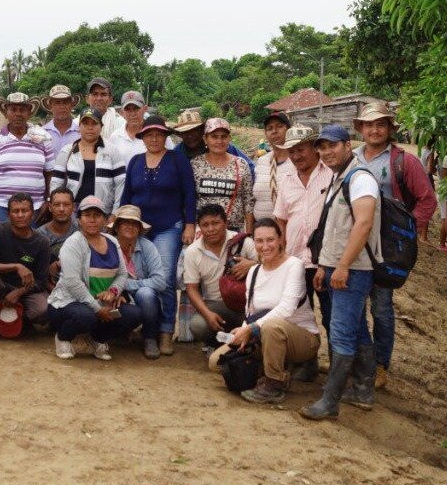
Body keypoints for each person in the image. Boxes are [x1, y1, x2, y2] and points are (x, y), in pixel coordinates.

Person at [300, 124, 382, 421]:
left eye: (332, 145)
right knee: (357, 327)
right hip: (338, 266)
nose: (326, 152)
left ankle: (330, 401)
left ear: (348, 145)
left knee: (341, 332)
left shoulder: (360, 179)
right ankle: (362, 390)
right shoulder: (340, 178)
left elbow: (363, 224)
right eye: (321, 147)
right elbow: (332, 228)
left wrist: (343, 265)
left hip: (354, 269)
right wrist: (325, 264)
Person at [352, 101, 437, 389]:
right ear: (360, 129)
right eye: (369, 124)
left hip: (385, 250)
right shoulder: (351, 159)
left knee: (382, 308)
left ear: (389, 128)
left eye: (381, 124)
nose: (374, 129)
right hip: (354, 244)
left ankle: (380, 365)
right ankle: (358, 359)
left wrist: (407, 231)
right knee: (353, 305)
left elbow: (427, 199)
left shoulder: (404, 161)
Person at [119, 115, 197, 355]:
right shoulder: (135, 162)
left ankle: (165, 332)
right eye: (149, 134)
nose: (154, 138)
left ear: (165, 136)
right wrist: (120, 224)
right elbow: (127, 195)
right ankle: (143, 328)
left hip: (168, 226)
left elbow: (189, 193)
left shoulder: (177, 159)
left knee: (163, 280)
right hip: (138, 228)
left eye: (159, 134)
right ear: (142, 137)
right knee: (133, 274)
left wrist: (190, 224)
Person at [224, 219, 322, 404]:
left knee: (271, 327)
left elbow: (287, 307)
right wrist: (243, 331)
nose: (265, 246)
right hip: (264, 334)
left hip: (302, 337)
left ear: (280, 240)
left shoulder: (294, 265)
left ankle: (275, 383)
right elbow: (250, 310)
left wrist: (251, 329)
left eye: (270, 240)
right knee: (218, 362)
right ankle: (270, 367)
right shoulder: (253, 271)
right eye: (259, 241)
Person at [48, 197, 142, 360]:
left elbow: (122, 273)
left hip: (102, 304)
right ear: (79, 220)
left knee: (134, 314)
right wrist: (97, 309)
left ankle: (97, 339)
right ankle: (63, 337)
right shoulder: (73, 244)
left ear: (105, 220)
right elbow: (73, 283)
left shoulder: (112, 241)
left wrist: (113, 292)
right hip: (68, 304)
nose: (92, 219)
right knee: (87, 316)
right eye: (87, 215)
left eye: (97, 215)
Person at [273, 125, 335, 350]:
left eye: (301, 149)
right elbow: (281, 220)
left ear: (315, 148)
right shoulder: (287, 179)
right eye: (292, 151)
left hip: (326, 260)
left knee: (331, 316)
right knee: (298, 315)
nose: (296, 156)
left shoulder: (331, 174)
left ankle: (340, 366)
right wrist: (281, 256)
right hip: (296, 259)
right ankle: (306, 360)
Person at [0, 193, 51, 340]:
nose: (20, 215)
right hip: (1, 286)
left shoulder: (42, 242)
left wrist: (18, 293)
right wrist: (16, 266)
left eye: (24, 211)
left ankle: (21, 321)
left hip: (27, 289)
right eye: (15, 211)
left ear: (32, 213)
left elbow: (41, 281)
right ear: (8, 214)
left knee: (43, 309)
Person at [183, 204, 258, 344]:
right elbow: (191, 288)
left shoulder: (243, 242)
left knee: (261, 323)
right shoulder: (192, 252)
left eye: (215, 223)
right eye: (205, 225)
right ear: (199, 227)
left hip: (247, 304)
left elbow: (272, 264)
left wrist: (253, 265)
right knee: (198, 325)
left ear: (225, 223)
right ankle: (219, 346)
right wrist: (207, 314)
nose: (210, 229)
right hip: (214, 304)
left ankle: (247, 346)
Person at [0, 92, 55, 222]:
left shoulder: (43, 138)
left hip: (35, 208)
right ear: (6, 113)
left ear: (29, 113)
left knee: (32, 242)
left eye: (22, 110)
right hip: (1, 208)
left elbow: (50, 175)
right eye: (13, 110)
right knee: (5, 242)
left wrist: (47, 201)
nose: (18, 114)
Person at [110, 205, 167, 359]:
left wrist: (126, 285)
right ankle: (114, 334)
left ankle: (149, 337)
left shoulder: (148, 247)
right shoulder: (108, 245)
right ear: (117, 226)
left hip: (140, 297)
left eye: (134, 223)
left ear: (140, 228)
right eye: (124, 222)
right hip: (114, 294)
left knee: (146, 293)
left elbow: (160, 281)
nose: (129, 226)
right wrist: (116, 291)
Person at [49, 108, 126, 210]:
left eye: (94, 123)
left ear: (101, 127)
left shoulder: (112, 152)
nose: (90, 127)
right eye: (85, 123)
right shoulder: (67, 152)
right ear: (79, 127)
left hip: (102, 212)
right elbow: (56, 183)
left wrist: (115, 213)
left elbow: (121, 184)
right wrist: (57, 208)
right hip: (72, 213)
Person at [191, 118, 254, 234]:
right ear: (205, 139)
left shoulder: (241, 164)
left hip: (233, 232)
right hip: (204, 232)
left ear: (229, 138)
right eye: (214, 137)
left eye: (223, 136)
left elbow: (248, 201)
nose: (219, 141)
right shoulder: (195, 164)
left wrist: (248, 234)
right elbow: (190, 199)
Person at [105, 90, 165, 170]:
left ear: (145, 109)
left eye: (136, 108)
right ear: (122, 112)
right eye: (128, 110)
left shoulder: (159, 134)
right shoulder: (115, 137)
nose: (133, 114)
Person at [253, 111, 294, 221]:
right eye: (269, 128)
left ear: (288, 129)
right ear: (265, 133)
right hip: (262, 231)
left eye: (279, 126)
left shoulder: (297, 160)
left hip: (289, 228)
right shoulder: (262, 161)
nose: (274, 131)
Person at [36, 186, 77, 289]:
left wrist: (60, 263)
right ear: (50, 207)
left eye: (66, 204)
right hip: (46, 286)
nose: (61, 209)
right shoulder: (39, 235)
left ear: (74, 207)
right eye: (57, 205)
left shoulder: (82, 231)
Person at [41, 84, 82, 155]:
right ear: (51, 106)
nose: (62, 106)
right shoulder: (42, 133)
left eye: (65, 102)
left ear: (71, 105)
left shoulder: (81, 133)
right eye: (57, 102)